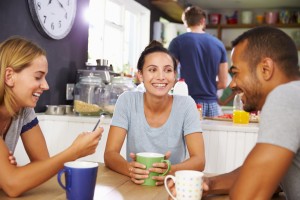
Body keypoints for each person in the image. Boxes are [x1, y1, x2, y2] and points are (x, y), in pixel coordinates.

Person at [167, 26, 300, 199]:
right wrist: (207, 184)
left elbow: (248, 194)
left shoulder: (285, 96)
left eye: (236, 73)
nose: (232, 84)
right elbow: (262, 176)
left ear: (265, 69)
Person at [0, 36, 103, 197]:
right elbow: (13, 185)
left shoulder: (24, 110)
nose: (46, 85)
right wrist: (75, 151)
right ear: (9, 76)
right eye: (37, 77)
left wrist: (14, 174)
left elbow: (43, 164)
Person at [104, 41, 205, 185]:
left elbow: (199, 160)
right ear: (140, 75)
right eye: (152, 70)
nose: (161, 77)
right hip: (134, 184)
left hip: (171, 185)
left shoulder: (186, 105)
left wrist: (170, 171)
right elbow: (110, 154)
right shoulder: (126, 101)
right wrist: (129, 169)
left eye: (168, 70)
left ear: (175, 76)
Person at [168, 6, 228, 117]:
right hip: (211, 105)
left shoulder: (177, 42)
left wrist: (181, 85)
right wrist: (206, 85)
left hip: (185, 103)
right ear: (203, 21)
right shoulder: (219, 44)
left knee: (184, 135)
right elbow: (223, 83)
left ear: (185, 23)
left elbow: (168, 74)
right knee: (210, 135)